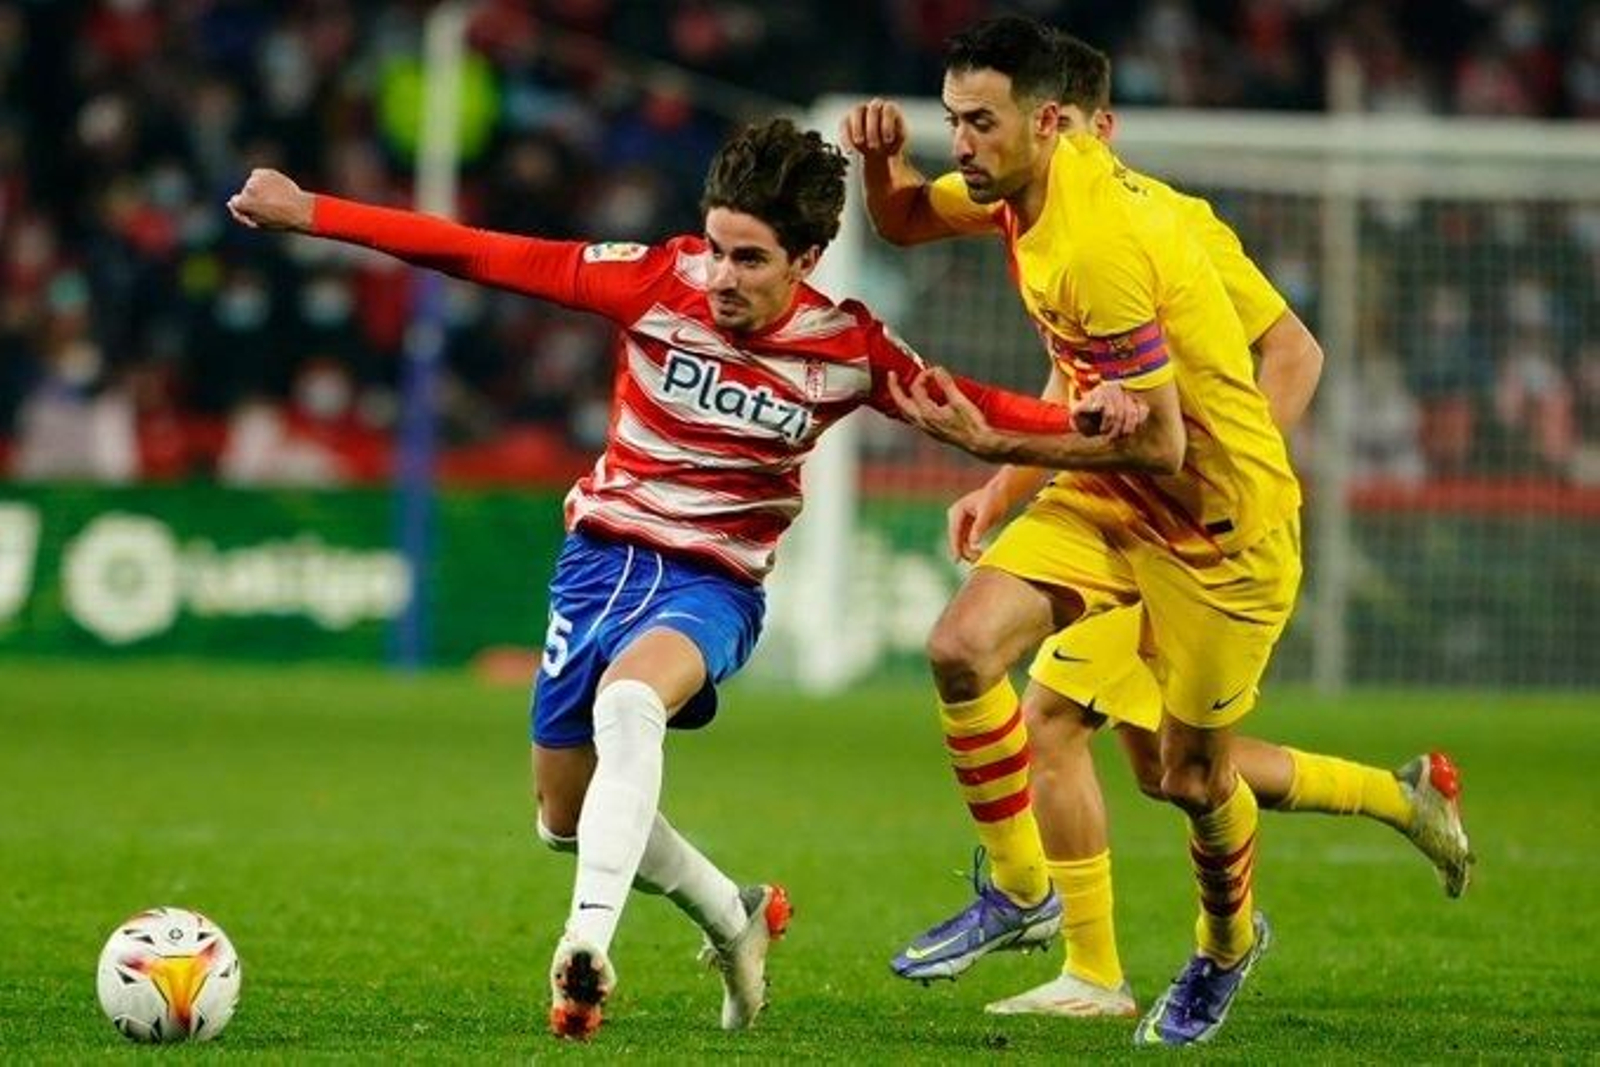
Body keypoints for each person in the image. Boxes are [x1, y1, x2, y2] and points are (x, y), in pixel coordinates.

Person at [226, 117, 1084, 1041]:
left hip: (711, 585)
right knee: (563, 819)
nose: (722, 276)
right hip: (597, 565)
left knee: (631, 701)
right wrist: (312, 212)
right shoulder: (651, 280)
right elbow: (481, 252)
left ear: (806, 258)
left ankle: (585, 944)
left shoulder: (848, 351)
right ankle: (733, 913)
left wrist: (1099, 422)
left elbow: (977, 406)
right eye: (715, 248)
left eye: (749, 259)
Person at [845, 16, 1469, 1046]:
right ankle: (1042, 912)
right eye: (953, 120)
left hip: (1216, 536)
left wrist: (1229, 465)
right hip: (1114, 496)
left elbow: (1242, 387)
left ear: (1062, 124)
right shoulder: (1027, 197)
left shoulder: (1129, 237)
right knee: (970, 652)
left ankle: (1226, 942)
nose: (961, 143)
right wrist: (880, 165)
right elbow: (937, 242)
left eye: (979, 122)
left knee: (1183, 774)